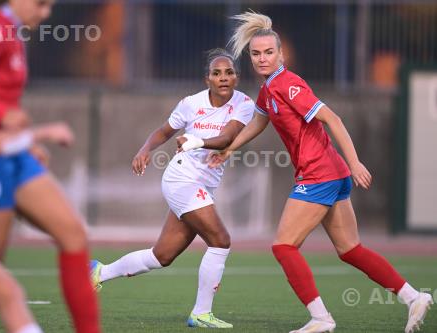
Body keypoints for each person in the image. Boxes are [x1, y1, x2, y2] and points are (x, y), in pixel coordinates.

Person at [184, 11, 433, 333]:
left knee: (283, 246)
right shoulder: (268, 89)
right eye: (256, 54)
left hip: (321, 174)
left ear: (281, 54)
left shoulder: (288, 84)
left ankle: (321, 319)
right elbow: (260, 121)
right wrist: (231, 148)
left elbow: (333, 119)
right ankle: (413, 297)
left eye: (269, 52)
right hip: (332, 173)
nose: (262, 58)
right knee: (350, 250)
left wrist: (356, 162)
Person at [0, 2, 101, 333]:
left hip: (9, 154)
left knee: (73, 233)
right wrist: (1, 116)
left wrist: (23, 141)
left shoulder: (12, 32)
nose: (45, 14)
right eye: (41, 3)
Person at [90, 48, 254, 328]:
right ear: (207, 79)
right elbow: (165, 131)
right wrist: (145, 148)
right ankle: (201, 313)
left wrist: (196, 141)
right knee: (221, 240)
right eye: (217, 73)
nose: (223, 78)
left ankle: (99, 272)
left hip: (202, 186)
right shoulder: (191, 103)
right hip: (181, 180)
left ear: (237, 78)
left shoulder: (244, 104)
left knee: (162, 256)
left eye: (229, 73)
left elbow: (227, 137)